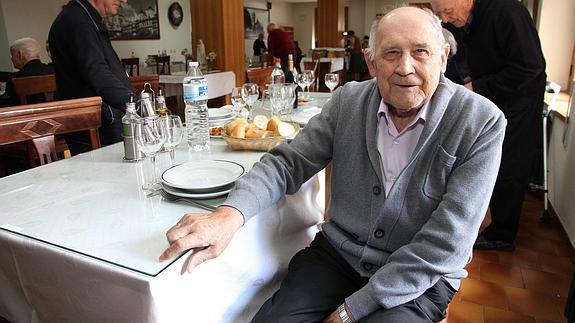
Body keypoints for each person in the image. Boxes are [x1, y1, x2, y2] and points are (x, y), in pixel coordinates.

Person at [160, 6, 506, 322]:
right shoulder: (349, 101)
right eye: (391, 53)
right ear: (371, 62)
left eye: (421, 52)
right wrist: (227, 216)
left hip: (420, 277)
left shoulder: (482, 122)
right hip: (338, 258)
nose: (405, 67)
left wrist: (348, 313)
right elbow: (288, 163)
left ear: (443, 57)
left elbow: (448, 242)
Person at [431, 0, 547, 251]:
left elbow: (531, 69)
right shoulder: (464, 21)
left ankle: (502, 235)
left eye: (447, 12)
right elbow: (467, 58)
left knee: (509, 165)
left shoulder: (506, 12)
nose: (446, 19)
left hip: (519, 103)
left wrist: (475, 87)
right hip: (491, 98)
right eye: (440, 15)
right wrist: (468, 80)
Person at [49, 0, 132, 154]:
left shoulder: (81, 16)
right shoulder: (79, 22)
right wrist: (134, 102)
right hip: (94, 126)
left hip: (99, 120)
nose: (124, 0)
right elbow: (97, 74)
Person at [0, 37, 54, 107]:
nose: (11, 59)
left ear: (19, 54)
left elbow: (8, 105)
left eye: (12, 55)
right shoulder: (53, 72)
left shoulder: (15, 80)